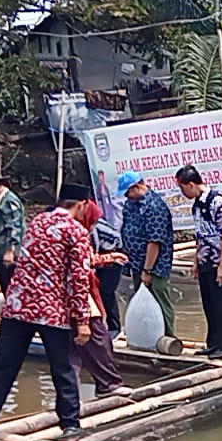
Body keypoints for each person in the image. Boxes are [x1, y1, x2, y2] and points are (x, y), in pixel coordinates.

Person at [0, 183, 96, 441]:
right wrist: (83, 320)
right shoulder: (76, 231)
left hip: (18, 307)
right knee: (62, 369)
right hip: (52, 311)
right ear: (82, 204)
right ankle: (71, 427)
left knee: (1, 371)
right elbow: (78, 278)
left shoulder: (38, 221)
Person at [73, 199, 131, 396]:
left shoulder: (80, 230)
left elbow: (86, 259)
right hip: (76, 295)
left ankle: (73, 395)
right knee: (97, 339)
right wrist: (82, 318)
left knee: (76, 349)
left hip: (71, 296)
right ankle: (108, 384)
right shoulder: (75, 232)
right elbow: (78, 271)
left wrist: (110, 258)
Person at [177, 165, 222, 359]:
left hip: (218, 260)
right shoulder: (196, 204)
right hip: (204, 260)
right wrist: (195, 261)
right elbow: (200, 235)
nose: (182, 192)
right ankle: (214, 342)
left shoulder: (216, 202)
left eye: (182, 187)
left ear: (191, 184)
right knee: (209, 303)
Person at [118, 170, 175, 337]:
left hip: (155, 266)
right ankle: (146, 338)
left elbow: (154, 242)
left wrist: (148, 270)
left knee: (160, 302)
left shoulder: (155, 207)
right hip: (136, 263)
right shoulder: (131, 204)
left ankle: (168, 339)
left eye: (128, 192)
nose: (126, 196)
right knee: (141, 304)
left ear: (136, 187)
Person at [90, 204, 125, 337]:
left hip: (114, 253)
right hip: (103, 254)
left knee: (106, 290)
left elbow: (93, 252)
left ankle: (114, 327)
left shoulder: (91, 226)